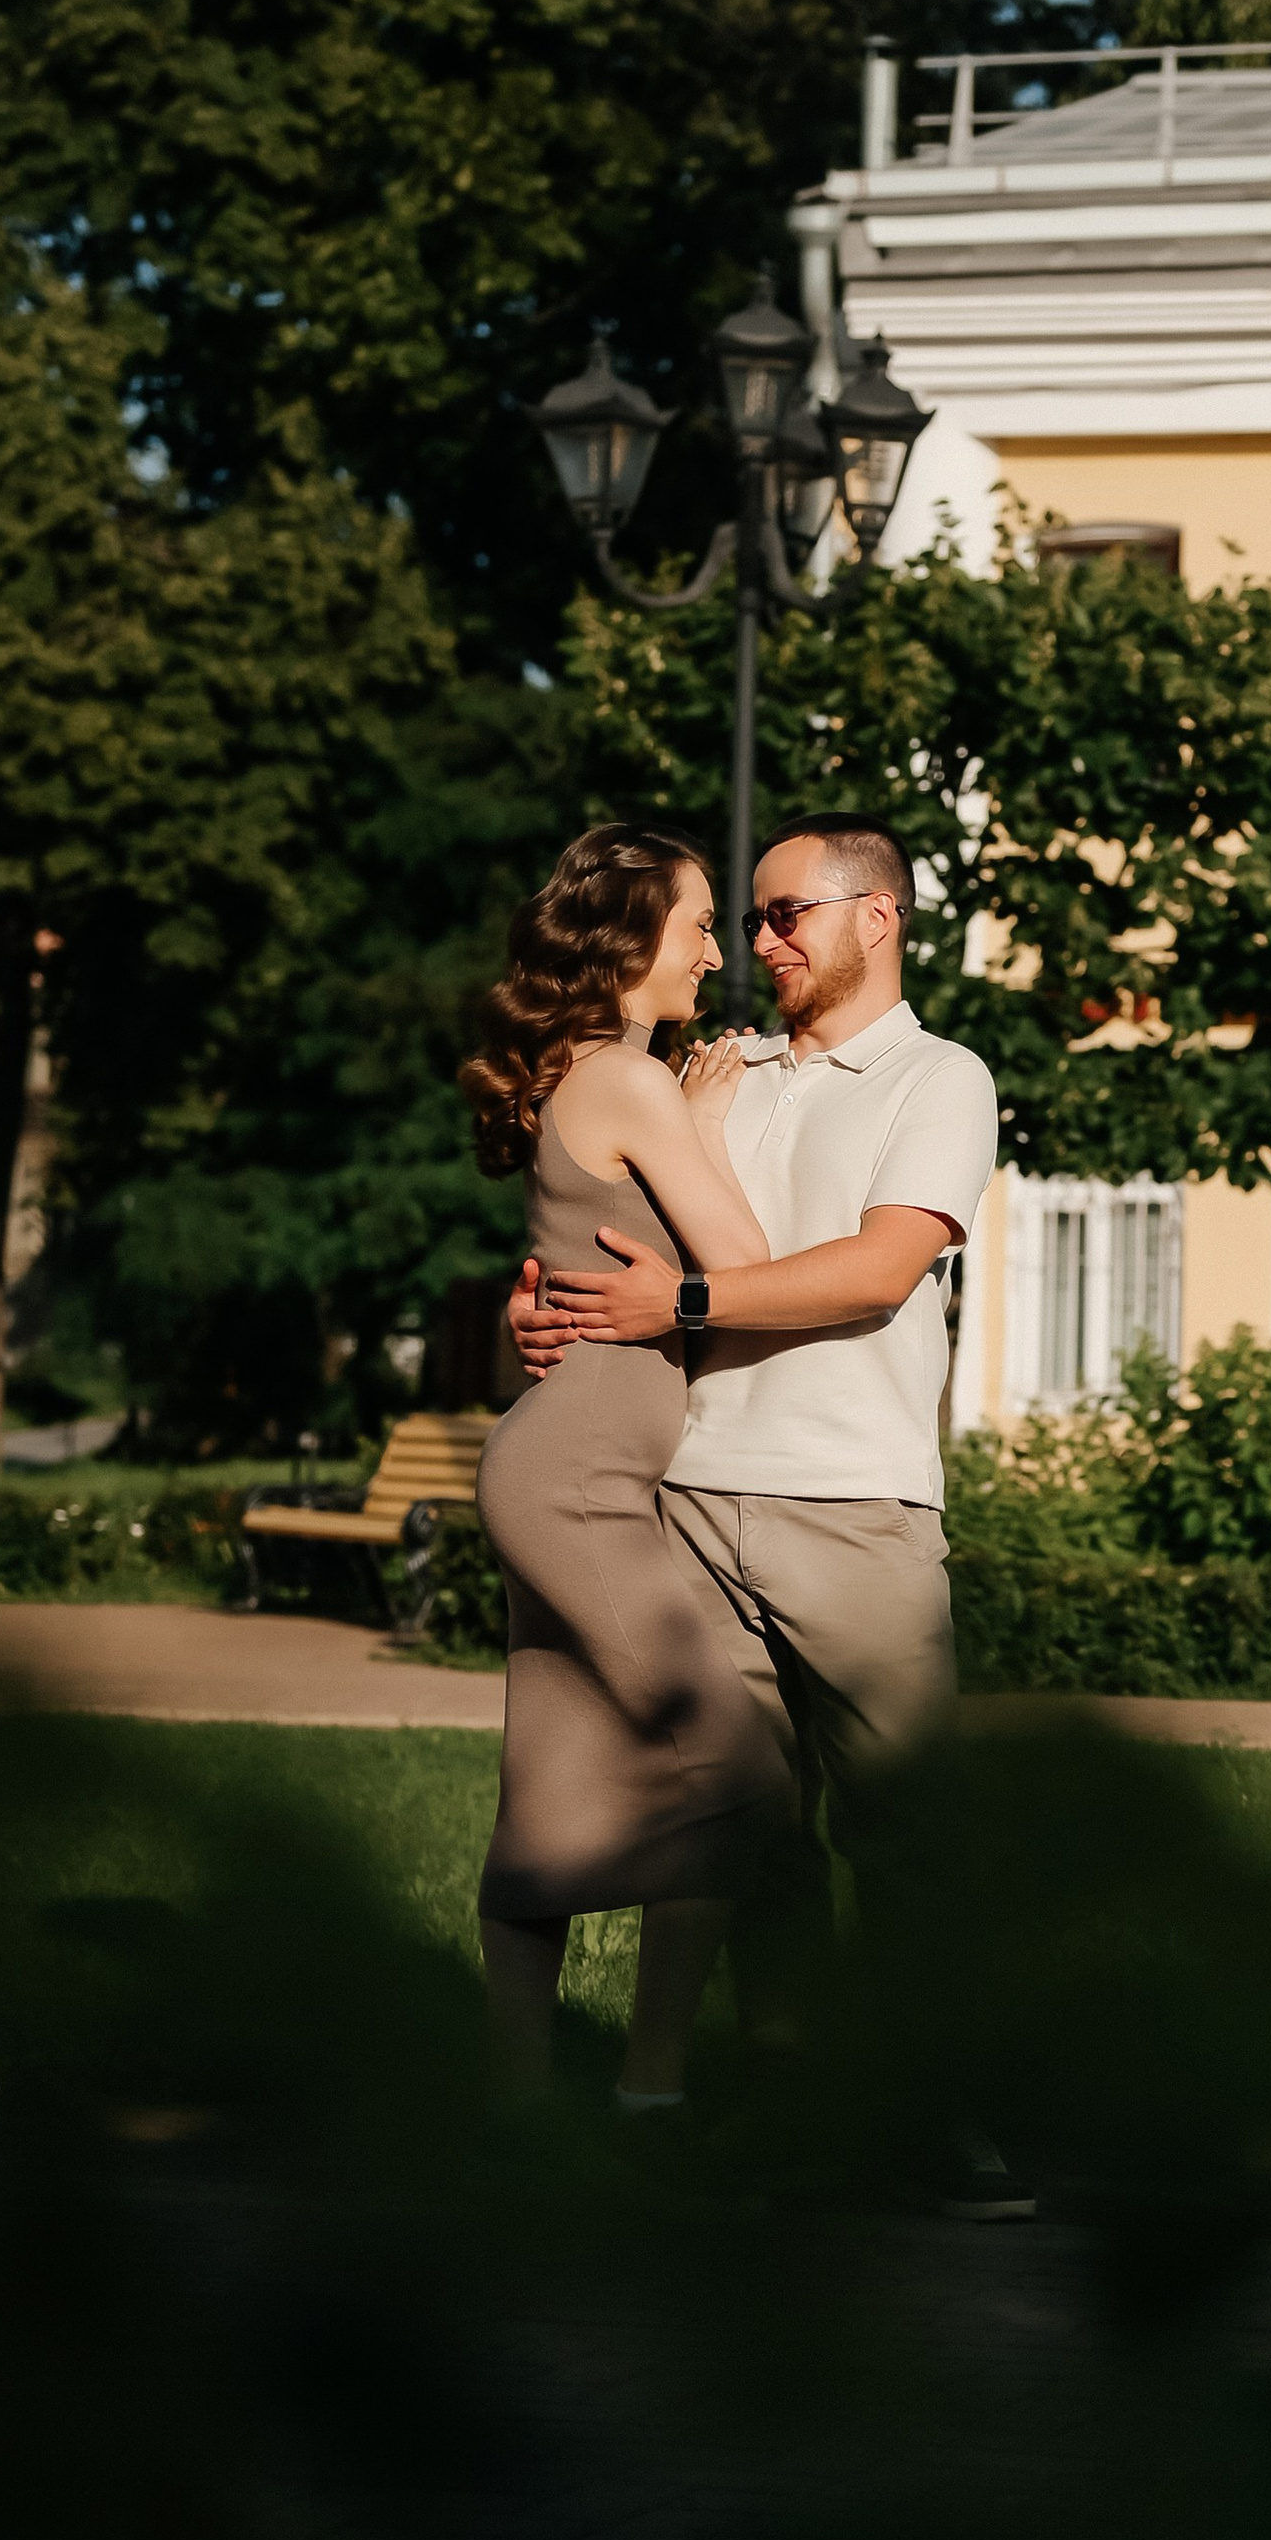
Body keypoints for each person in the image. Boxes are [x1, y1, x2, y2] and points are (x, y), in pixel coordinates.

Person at [508, 814, 1015, 2213]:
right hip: (690, 1496)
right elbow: (599, 1214)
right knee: (746, 1840)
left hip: (854, 1502)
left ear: (880, 919)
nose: (765, 940)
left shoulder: (939, 1077)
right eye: (753, 915)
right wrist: (540, 1300)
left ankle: (931, 2120)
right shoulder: (706, 1076)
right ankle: (793, 2108)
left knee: (906, 1833)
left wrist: (669, 1303)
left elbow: (873, 1271)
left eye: (791, 913)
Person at [460, 827, 799, 2099]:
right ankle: (667, 2084)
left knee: (550, 1797)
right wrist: (700, 1117)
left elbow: (571, 1272)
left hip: (565, 1472)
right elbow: (741, 1262)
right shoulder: (632, 1080)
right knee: (742, 1775)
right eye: (701, 924)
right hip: (578, 1485)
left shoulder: (590, 1073)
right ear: (627, 938)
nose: (719, 952)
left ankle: (524, 2105)